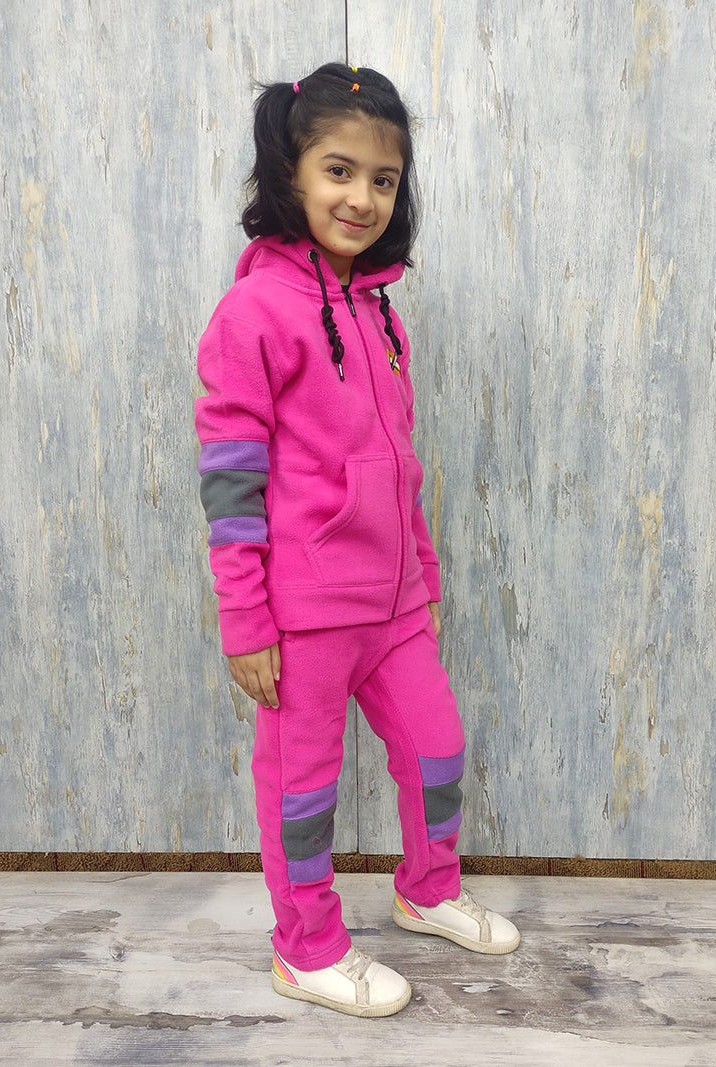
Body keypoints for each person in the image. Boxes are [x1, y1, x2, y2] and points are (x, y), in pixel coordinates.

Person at [195, 62, 520, 1019]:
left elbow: (400, 460)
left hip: (394, 604)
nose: (362, 198)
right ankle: (306, 947)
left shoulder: (379, 312)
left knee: (437, 749)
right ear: (289, 173)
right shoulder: (253, 312)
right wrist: (246, 620)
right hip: (303, 612)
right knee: (302, 792)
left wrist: (423, 575)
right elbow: (231, 482)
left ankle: (427, 888)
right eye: (339, 171)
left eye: (383, 178)